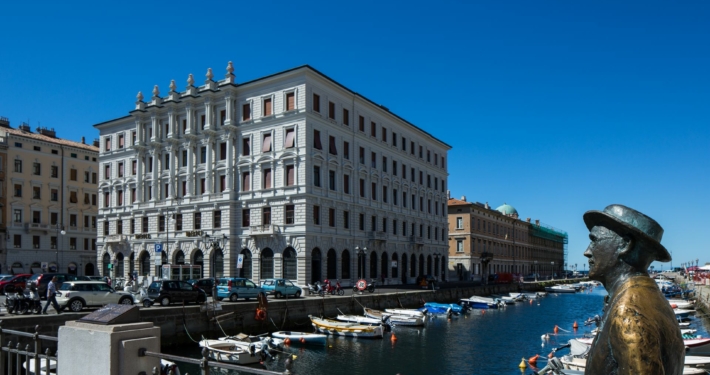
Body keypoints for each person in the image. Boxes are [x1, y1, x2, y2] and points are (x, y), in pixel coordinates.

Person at [582, 204, 684, 375]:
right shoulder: (652, 298)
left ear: (625, 245)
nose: (587, 252)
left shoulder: (628, 312)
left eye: (594, 241)